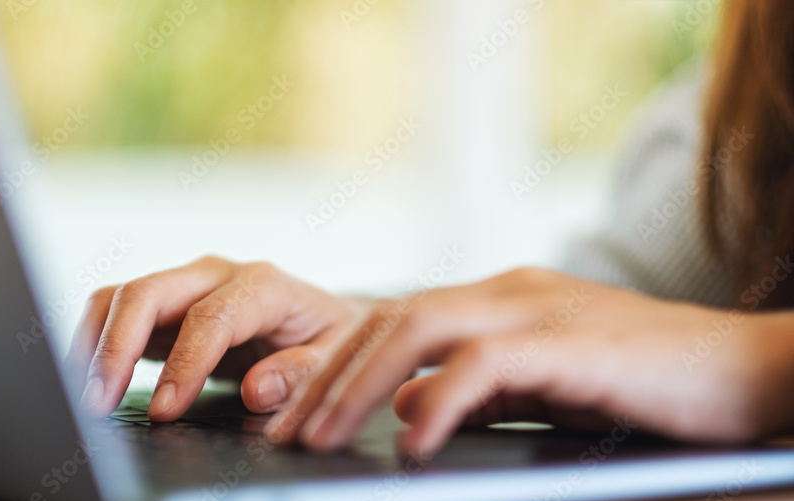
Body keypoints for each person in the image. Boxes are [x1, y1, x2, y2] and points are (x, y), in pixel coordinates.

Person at [67, 0, 794, 455]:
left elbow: (694, 348)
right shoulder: (743, 95)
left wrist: (762, 363)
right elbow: (629, 321)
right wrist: (365, 331)